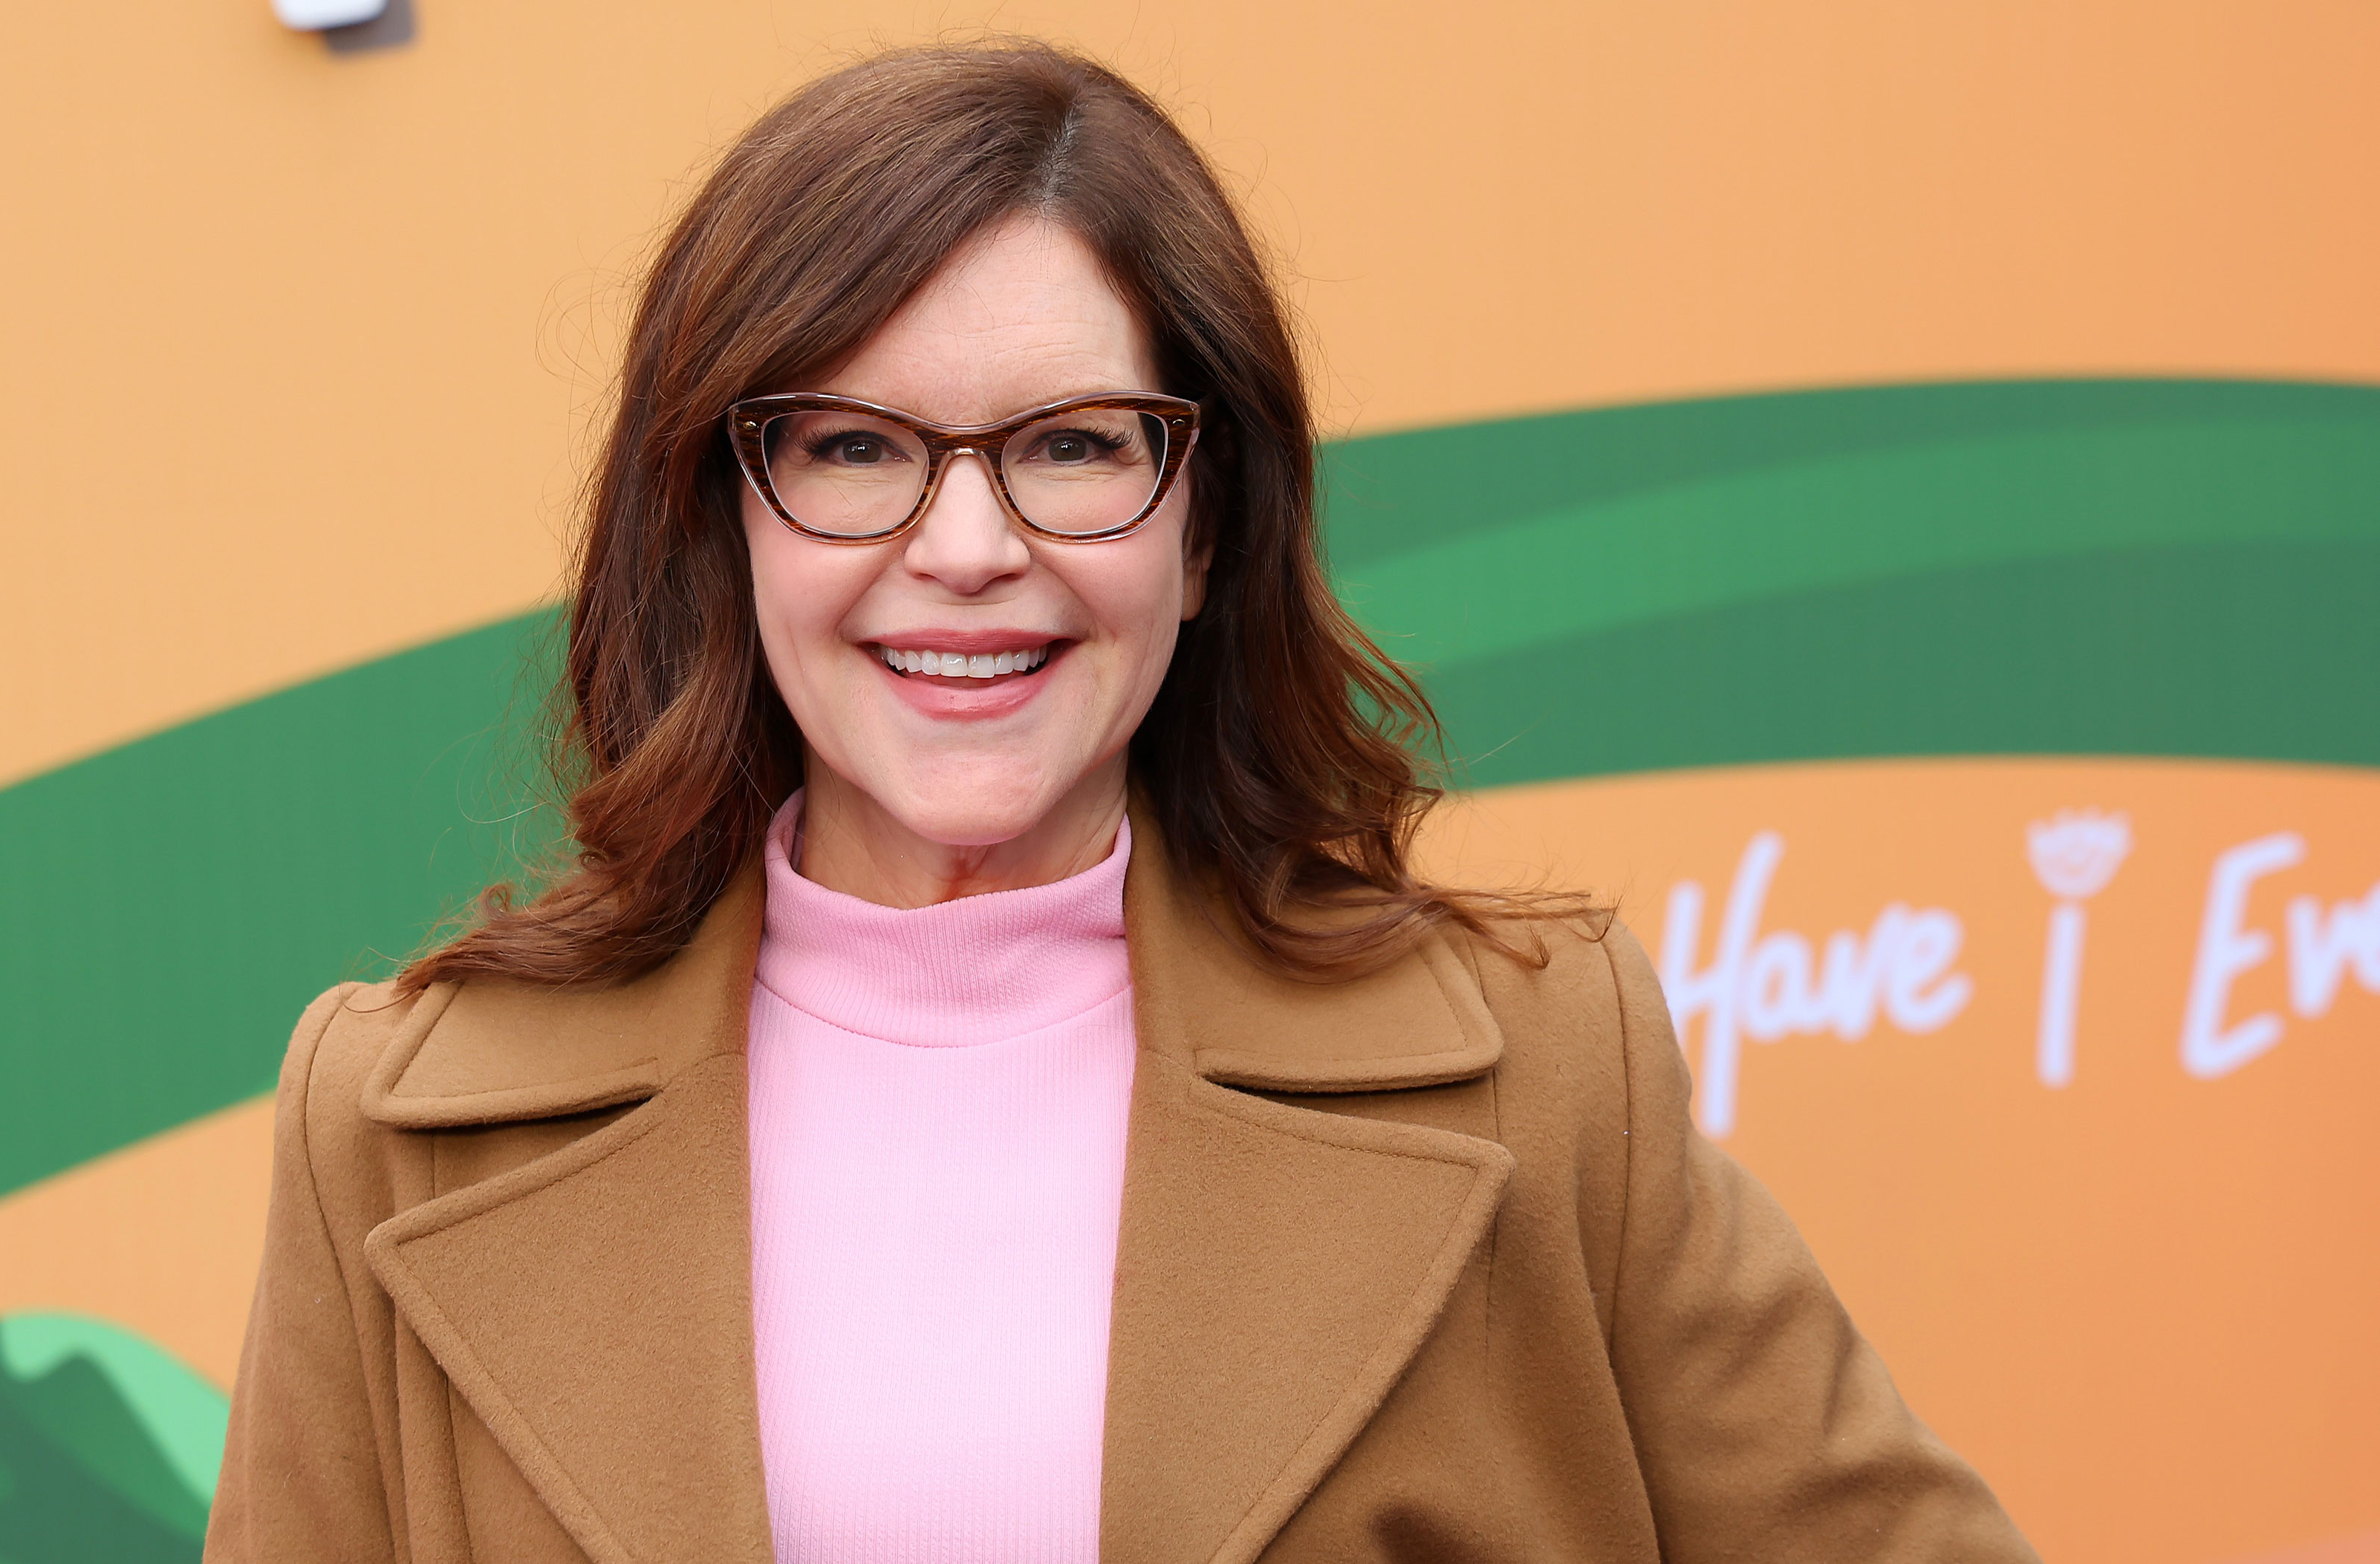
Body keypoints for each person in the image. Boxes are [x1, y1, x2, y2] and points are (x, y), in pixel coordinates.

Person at [206, 41, 2036, 1564]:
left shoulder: (1548, 1065)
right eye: (852, 449)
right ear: (721, 514)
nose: (968, 550)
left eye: (1074, 446)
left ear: (1210, 513)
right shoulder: (387, 1122)